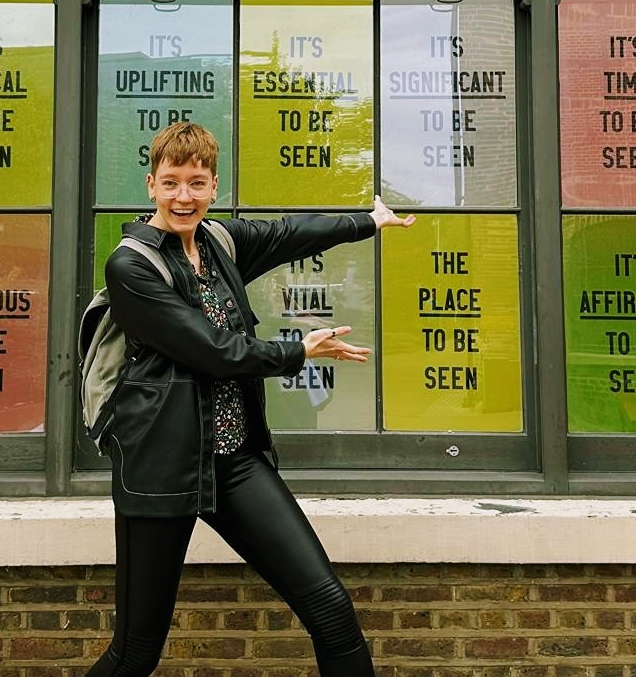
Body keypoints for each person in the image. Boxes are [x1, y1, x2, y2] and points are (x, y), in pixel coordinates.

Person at [87, 121, 415, 677]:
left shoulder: (218, 244)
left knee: (331, 610)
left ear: (214, 187)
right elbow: (212, 351)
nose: (184, 196)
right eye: (171, 183)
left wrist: (367, 221)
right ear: (151, 185)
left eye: (197, 183)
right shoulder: (131, 267)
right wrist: (297, 352)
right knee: (136, 652)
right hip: (162, 470)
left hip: (235, 464)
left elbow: (288, 233)